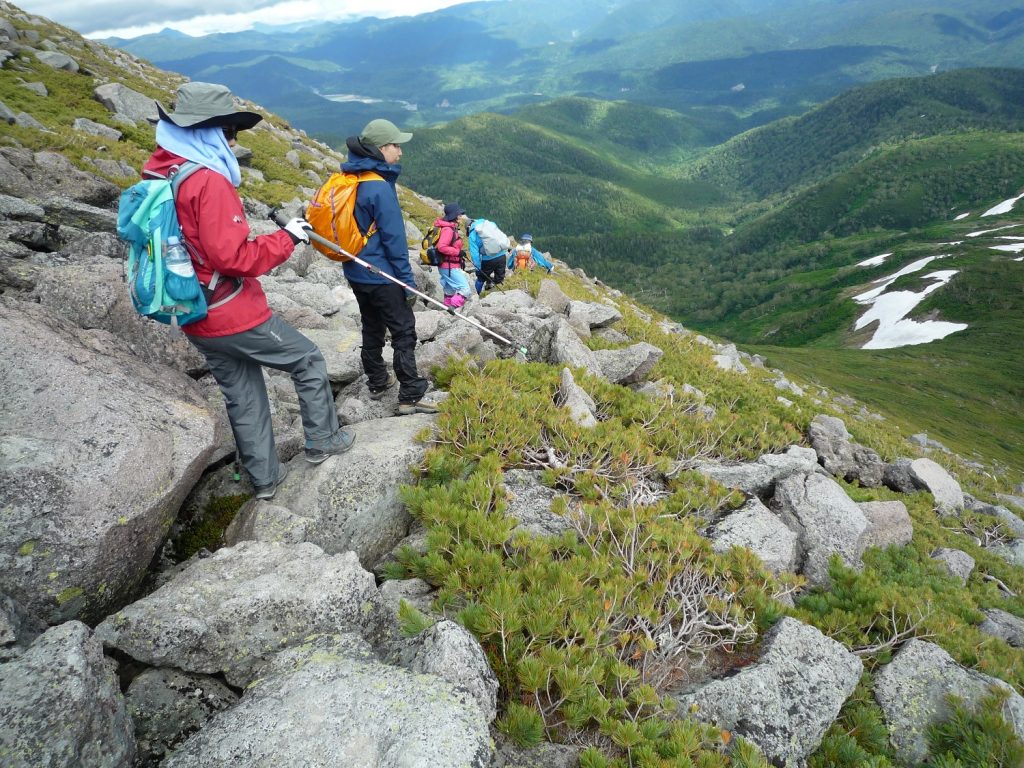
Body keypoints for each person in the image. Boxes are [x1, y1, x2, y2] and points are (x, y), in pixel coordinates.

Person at [145, 82, 354, 500]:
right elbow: (233, 258)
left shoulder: (163, 169)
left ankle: (265, 480)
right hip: (230, 310)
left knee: (242, 394)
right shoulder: (208, 180)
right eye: (228, 131)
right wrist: (287, 238)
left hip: (191, 309)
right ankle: (323, 441)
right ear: (208, 131)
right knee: (308, 359)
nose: (234, 141)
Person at [341, 118, 438, 416]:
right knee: (403, 331)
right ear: (382, 148)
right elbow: (394, 241)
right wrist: (407, 283)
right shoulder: (379, 188)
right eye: (396, 145)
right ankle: (410, 393)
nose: (400, 151)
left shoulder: (353, 178)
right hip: (382, 274)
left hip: (357, 271)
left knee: (371, 326)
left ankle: (377, 381)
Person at [432, 202, 473, 310]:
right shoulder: (448, 230)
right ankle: (453, 308)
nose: (460, 216)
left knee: (449, 289)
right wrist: (457, 252)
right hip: (449, 266)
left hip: (446, 265)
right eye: (459, 214)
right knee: (465, 289)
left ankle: (447, 308)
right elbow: (442, 247)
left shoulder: (448, 227)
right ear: (454, 216)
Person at [466, 216, 508, 294]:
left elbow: (475, 254)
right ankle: (501, 295)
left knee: (481, 278)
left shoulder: (473, 234)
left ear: (468, 227)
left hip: (488, 259)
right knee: (500, 278)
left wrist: (478, 268)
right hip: (502, 255)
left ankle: (475, 296)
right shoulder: (490, 224)